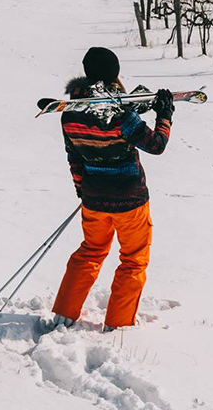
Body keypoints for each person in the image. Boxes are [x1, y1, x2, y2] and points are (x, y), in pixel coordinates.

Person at [47, 46, 175, 331]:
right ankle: (118, 324)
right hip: (131, 202)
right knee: (133, 260)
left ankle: (65, 314)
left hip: (94, 201)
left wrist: (83, 191)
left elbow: (74, 157)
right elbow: (156, 145)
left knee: (90, 252)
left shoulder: (70, 114)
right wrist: (164, 116)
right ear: (114, 74)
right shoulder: (119, 115)